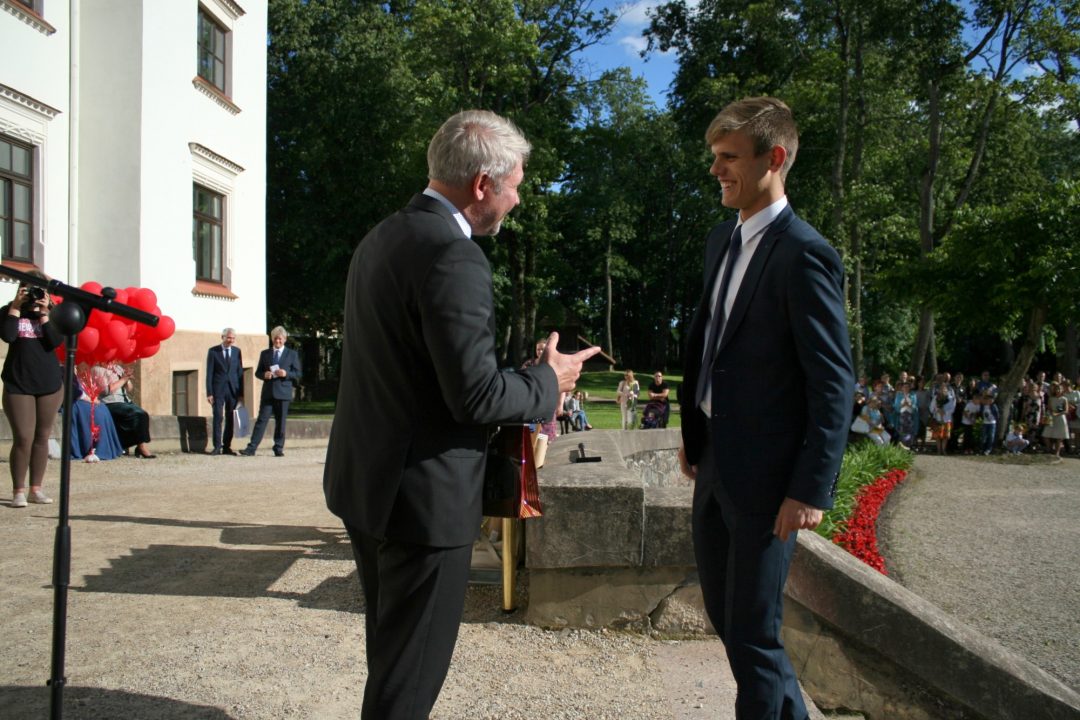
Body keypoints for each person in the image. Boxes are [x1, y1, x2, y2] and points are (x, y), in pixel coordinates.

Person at [322, 110, 599, 720]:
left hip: (367, 484)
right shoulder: (454, 254)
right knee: (409, 678)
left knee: (392, 660)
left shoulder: (382, 237)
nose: (517, 200)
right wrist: (548, 382)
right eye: (515, 185)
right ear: (482, 183)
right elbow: (474, 396)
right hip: (422, 500)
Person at [678, 97, 853, 720]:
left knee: (754, 635)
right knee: (731, 625)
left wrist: (809, 488)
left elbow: (833, 383)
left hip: (769, 482)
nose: (715, 170)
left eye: (728, 157)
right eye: (715, 157)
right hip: (714, 465)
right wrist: (694, 434)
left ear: (774, 158)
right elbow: (712, 346)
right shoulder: (720, 240)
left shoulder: (805, 253)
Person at [2, 278, 63, 507]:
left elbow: (55, 341)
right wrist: (15, 307)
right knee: (23, 437)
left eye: (38, 291)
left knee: (42, 436)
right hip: (18, 382)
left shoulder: (55, 314)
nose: (33, 295)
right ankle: (18, 490)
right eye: (28, 290)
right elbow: (8, 336)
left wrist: (45, 314)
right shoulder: (8, 311)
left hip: (49, 383)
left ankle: (35, 489)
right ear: (20, 290)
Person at [241, 326, 302, 457]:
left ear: (284, 339)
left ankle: (278, 447)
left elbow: (298, 374)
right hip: (268, 393)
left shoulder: (292, 354)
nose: (277, 341)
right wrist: (264, 375)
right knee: (261, 421)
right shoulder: (265, 353)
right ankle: (251, 448)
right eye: (275, 339)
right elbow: (258, 372)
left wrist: (286, 373)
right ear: (272, 339)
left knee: (281, 422)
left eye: (280, 339)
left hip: (283, 393)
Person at [93, 361, 156, 458]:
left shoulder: (118, 368)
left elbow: (129, 389)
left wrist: (127, 379)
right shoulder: (97, 370)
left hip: (125, 401)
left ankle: (140, 445)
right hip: (110, 402)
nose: (112, 361)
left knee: (143, 415)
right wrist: (123, 379)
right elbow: (107, 390)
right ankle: (139, 447)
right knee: (137, 415)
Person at [205, 327, 243, 455]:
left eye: (233, 338)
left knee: (230, 418)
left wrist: (241, 393)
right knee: (218, 417)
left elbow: (240, 372)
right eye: (228, 338)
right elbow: (209, 373)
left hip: (233, 389)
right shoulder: (213, 351)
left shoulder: (237, 351)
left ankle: (227, 446)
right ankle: (217, 446)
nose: (230, 340)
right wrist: (209, 392)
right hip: (218, 390)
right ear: (223, 337)